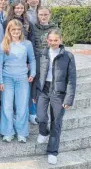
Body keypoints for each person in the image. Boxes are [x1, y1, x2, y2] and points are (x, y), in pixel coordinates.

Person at [35, 30, 76, 165]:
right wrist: (35, 93)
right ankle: (43, 131)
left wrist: (68, 99)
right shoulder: (42, 54)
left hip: (59, 92)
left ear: (60, 40)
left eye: (56, 40)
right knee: (41, 117)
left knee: (56, 122)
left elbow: (72, 79)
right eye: (51, 40)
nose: (53, 42)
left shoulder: (68, 56)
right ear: (47, 40)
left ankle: (52, 151)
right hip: (43, 89)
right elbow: (37, 74)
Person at [0, 19, 36, 143]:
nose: (16, 32)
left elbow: (32, 59)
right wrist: (0, 81)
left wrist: (33, 73)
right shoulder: (4, 44)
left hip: (22, 78)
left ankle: (22, 132)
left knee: (22, 106)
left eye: (18, 30)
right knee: (7, 106)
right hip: (7, 78)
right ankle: (8, 132)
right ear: (9, 30)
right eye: (13, 29)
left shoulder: (27, 44)